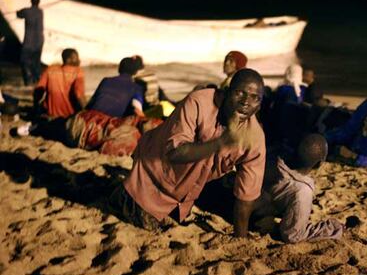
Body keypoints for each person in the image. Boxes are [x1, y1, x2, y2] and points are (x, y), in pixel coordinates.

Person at [109, 68, 266, 237]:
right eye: (240, 93)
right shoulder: (198, 102)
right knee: (137, 215)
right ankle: (121, 192)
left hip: (186, 190)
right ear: (226, 92)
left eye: (254, 98)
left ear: (259, 105)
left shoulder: (254, 137)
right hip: (151, 173)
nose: (246, 102)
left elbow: (246, 193)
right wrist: (221, 142)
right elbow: (175, 153)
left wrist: (240, 237)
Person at [254, 134, 344, 243]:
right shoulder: (302, 191)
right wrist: (332, 228)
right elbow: (292, 235)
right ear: (319, 164)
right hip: (256, 215)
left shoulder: (274, 157)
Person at [33, 48, 86, 118]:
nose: (79, 60)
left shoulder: (50, 70)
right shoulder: (78, 72)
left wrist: (36, 107)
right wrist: (86, 111)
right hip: (70, 115)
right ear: (68, 59)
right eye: (76, 58)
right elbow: (79, 94)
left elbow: (38, 90)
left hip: (50, 114)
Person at [17, 0, 44, 86]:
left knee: (24, 61)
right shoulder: (40, 12)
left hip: (29, 42)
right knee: (36, 63)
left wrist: (17, 11)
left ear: (31, 1)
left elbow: (19, 14)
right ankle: (37, 81)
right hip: (39, 42)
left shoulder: (27, 11)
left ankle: (28, 81)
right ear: (39, 2)